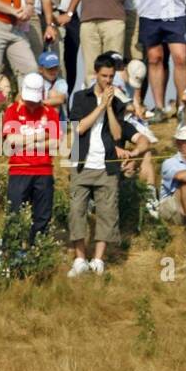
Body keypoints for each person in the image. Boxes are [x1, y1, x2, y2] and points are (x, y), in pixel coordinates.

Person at [67, 53, 146, 272]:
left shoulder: (118, 103)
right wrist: (101, 106)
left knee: (107, 212)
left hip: (107, 166)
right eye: (104, 76)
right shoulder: (80, 97)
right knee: (76, 211)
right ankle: (80, 259)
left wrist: (110, 108)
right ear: (96, 74)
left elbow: (118, 133)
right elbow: (79, 128)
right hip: (81, 162)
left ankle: (98, 260)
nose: (108, 80)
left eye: (111, 76)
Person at [2, 73, 61, 242]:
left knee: (43, 216)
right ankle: (11, 254)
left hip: (44, 171)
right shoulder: (13, 110)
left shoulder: (51, 113)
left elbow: (55, 143)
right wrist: (39, 137)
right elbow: (12, 141)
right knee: (14, 214)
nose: (32, 103)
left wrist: (26, 144)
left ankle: (38, 252)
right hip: (19, 170)